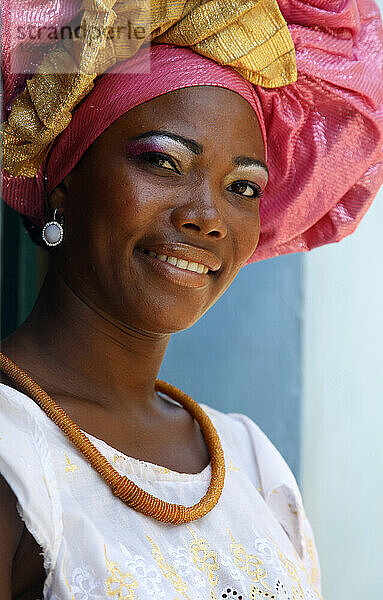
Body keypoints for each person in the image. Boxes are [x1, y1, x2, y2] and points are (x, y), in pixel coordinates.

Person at [1, 1, 382, 599]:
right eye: (162, 161)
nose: (207, 217)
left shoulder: (252, 464)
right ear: (65, 174)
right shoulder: (13, 452)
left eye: (242, 188)